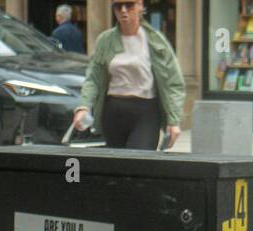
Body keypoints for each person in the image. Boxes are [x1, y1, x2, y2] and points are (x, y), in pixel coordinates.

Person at [73, 1, 184, 150]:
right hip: (113, 110)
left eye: (129, 5)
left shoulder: (156, 41)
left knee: (138, 162)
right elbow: (93, 78)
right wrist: (84, 107)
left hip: (146, 111)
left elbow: (173, 83)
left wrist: (174, 121)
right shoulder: (105, 41)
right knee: (117, 165)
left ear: (140, 5)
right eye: (118, 6)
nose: (123, 10)